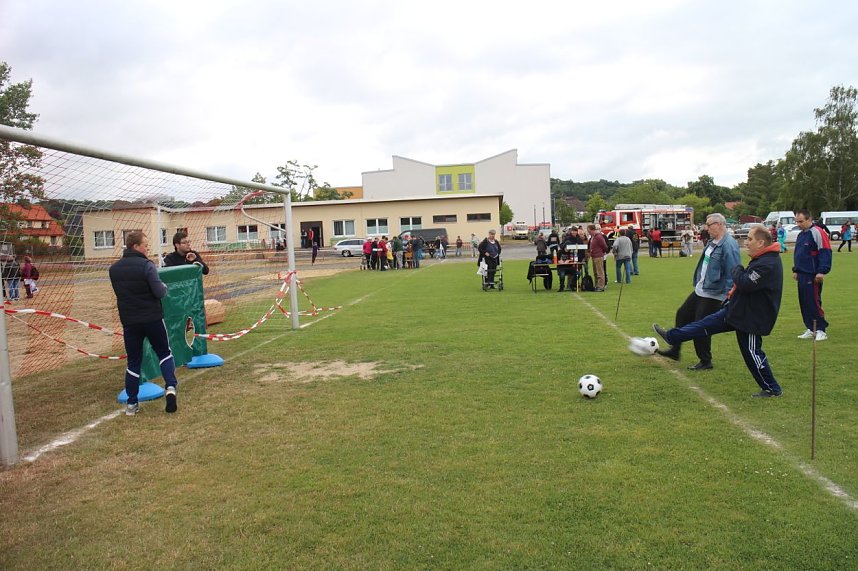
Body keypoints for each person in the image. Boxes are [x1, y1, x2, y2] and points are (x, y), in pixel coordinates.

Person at [652, 225, 784, 398]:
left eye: (750, 239)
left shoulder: (768, 263)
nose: (746, 242)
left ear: (761, 242)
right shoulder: (761, 259)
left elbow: (745, 283)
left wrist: (737, 270)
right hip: (737, 310)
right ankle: (672, 336)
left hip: (751, 318)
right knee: (703, 325)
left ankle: (772, 388)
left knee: (752, 352)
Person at [656, 213, 741, 370]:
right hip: (702, 289)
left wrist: (729, 296)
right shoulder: (712, 241)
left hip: (714, 293)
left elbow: (734, 272)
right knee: (682, 314)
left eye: (709, 225)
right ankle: (675, 350)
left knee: (701, 326)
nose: (706, 228)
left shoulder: (728, 245)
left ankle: (705, 361)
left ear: (720, 224)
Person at [108, 232, 179, 415]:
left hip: (130, 322)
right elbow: (159, 291)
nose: (148, 248)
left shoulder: (114, 269)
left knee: (133, 362)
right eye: (145, 244)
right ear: (135, 246)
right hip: (152, 318)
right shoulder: (147, 266)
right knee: (164, 352)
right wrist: (164, 287)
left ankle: (132, 404)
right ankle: (170, 388)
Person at [793, 209, 832, 341]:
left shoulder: (818, 232)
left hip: (813, 275)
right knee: (804, 302)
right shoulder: (801, 235)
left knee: (813, 301)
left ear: (809, 220)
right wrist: (796, 270)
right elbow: (799, 254)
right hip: (802, 274)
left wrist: (821, 271)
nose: (798, 224)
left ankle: (821, 329)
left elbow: (825, 251)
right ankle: (811, 327)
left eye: (801, 221)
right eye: (796, 221)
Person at [586, 224, 609, 292]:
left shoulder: (599, 237)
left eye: (589, 231)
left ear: (593, 230)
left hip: (598, 256)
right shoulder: (593, 237)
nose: (588, 232)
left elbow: (604, 246)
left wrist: (602, 252)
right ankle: (597, 285)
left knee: (600, 272)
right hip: (594, 256)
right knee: (595, 272)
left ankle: (601, 286)